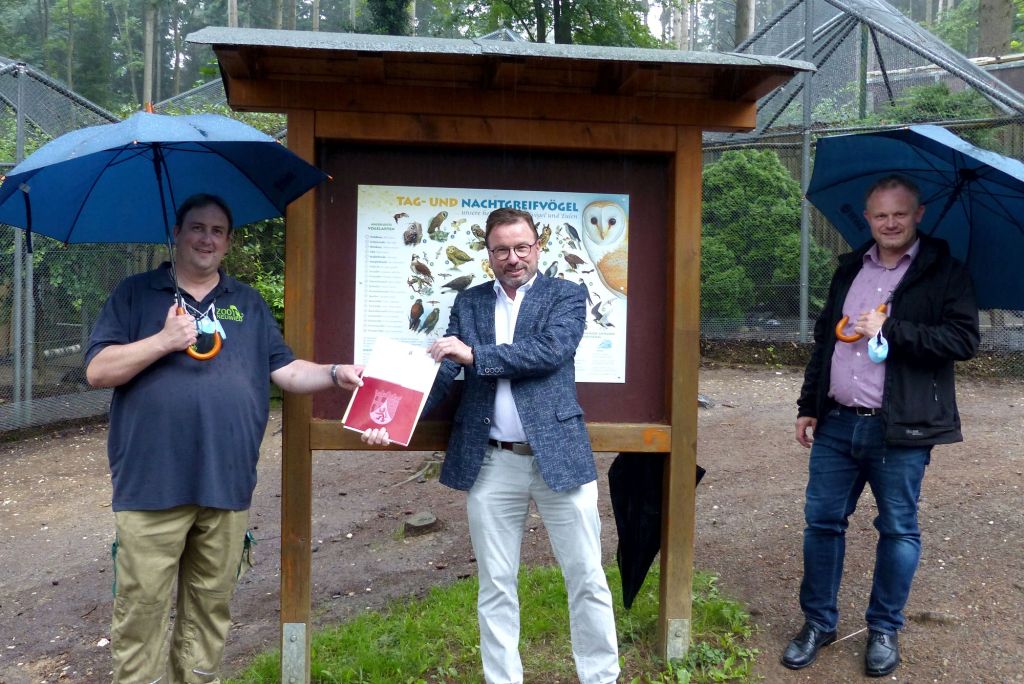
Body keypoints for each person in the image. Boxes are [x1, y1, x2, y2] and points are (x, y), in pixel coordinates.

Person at [85, 193, 363, 684]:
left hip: (227, 482)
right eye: (197, 227)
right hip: (151, 484)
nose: (206, 238)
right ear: (177, 233)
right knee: (142, 610)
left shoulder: (247, 303)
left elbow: (287, 370)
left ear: (229, 241)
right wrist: (163, 341)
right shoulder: (135, 294)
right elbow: (98, 371)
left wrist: (335, 372)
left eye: (217, 230)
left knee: (210, 611)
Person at [363, 207, 619, 683]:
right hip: (493, 461)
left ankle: (600, 677)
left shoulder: (567, 295)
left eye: (522, 247)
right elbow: (443, 371)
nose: (513, 258)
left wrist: (476, 354)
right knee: (496, 584)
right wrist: (393, 414)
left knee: (586, 576)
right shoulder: (471, 303)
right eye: (501, 249)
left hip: (558, 458)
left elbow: (549, 352)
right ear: (489, 255)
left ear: (537, 247)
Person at [782, 175, 979, 677]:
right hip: (837, 423)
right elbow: (826, 342)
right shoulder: (850, 268)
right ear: (867, 219)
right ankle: (818, 623)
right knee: (822, 524)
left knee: (897, 530)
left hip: (902, 430)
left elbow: (962, 341)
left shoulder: (944, 272)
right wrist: (810, 404)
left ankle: (884, 629)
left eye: (899, 213)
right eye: (880, 215)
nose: (889, 223)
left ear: (919, 215)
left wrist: (889, 329)